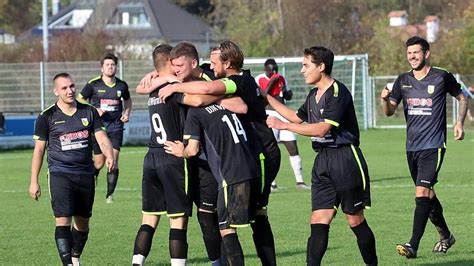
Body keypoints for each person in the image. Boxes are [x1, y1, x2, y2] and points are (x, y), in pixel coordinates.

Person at [158, 41, 281, 266]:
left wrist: (174, 88)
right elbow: (242, 105)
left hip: (240, 165)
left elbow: (202, 96)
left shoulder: (222, 86)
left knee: (228, 228)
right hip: (249, 162)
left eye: (216, 63)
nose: (213, 68)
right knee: (254, 217)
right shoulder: (230, 89)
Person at [263, 46, 378, 265]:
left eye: (306, 65)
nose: (302, 71)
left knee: (354, 220)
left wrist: (281, 125)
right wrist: (267, 97)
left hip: (345, 159)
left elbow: (321, 129)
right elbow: (296, 117)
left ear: (321, 67)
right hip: (322, 161)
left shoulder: (338, 92)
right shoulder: (313, 95)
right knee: (318, 219)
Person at [381, 36, 468, 259]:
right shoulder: (402, 80)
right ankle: (446, 235)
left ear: (426, 53)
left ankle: (412, 244)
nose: (412, 57)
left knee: (421, 192)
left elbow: (462, 97)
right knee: (428, 195)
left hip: (434, 145)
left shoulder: (441, 76)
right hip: (412, 148)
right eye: (409, 53)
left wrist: (459, 122)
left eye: (416, 53)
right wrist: (384, 99)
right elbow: (389, 111)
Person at [29, 73, 115, 265]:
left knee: (83, 223)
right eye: (64, 88)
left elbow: (101, 138)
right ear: (55, 91)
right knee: (62, 219)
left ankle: (75, 257)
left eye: (72, 86)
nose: (70, 91)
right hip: (60, 173)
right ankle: (67, 262)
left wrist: (109, 155)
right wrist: (34, 180)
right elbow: (39, 150)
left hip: (85, 173)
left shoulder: (89, 111)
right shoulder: (46, 116)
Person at [164, 100, 258, 266]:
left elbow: (192, 150)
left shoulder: (195, 112)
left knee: (227, 229)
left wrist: (181, 151)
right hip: (253, 170)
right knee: (254, 222)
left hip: (231, 176)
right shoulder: (227, 103)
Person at [132, 44, 191, 266]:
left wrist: (155, 75)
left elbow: (140, 88)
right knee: (178, 220)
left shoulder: (152, 88)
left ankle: (137, 262)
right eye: (175, 61)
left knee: (149, 217)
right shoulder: (175, 87)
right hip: (172, 156)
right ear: (169, 61)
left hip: (152, 157)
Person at [78, 53, 132, 203]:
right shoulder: (93, 84)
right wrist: (94, 109)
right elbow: (80, 99)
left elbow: (127, 100)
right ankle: (92, 178)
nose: (110, 67)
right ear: (102, 68)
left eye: (113, 64)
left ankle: (109, 195)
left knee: (113, 161)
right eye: (107, 64)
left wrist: (126, 112)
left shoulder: (122, 85)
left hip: (116, 127)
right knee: (99, 163)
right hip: (98, 128)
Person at [255, 58, 309, 190]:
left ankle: (300, 181)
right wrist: (271, 82)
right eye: (271, 70)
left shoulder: (282, 78)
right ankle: (272, 183)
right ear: (265, 69)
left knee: (293, 147)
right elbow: (262, 97)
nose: (274, 72)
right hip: (270, 115)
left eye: (276, 69)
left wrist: (285, 91)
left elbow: (288, 96)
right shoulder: (259, 79)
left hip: (284, 116)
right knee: (270, 149)